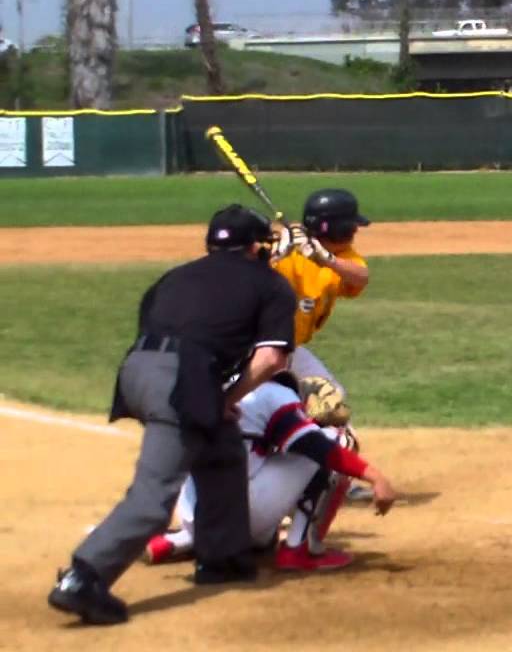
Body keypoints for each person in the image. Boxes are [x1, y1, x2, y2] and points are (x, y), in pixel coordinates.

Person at [48, 205, 298, 625]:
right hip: (179, 382)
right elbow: (272, 359)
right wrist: (228, 394)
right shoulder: (270, 284)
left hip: (136, 371)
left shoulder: (175, 275)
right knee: (155, 491)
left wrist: (210, 397)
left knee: (221, 447)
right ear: (256, 247)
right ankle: (83, 577)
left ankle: (224, 557)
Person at [145, 373, 398, 571]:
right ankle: (300, 549)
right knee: (335, 439)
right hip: (241, 521)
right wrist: (375, 476)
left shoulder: (205, 383)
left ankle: (179, 539)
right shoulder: (272, 393)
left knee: (229, 461)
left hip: (195, 516)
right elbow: (318, 448)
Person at [272, 189, 372, 498]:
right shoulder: (284, 255)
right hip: (257, 349)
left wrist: (323, 257)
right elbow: (244, 277)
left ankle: (332, 477)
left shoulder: (341, 257)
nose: (355, 231)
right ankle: (279, 489)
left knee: (331, 400)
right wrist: (280, 251)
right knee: (272, 414)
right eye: (351, 226)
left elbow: (361, 277)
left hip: (291, 348)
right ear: (333, 228)